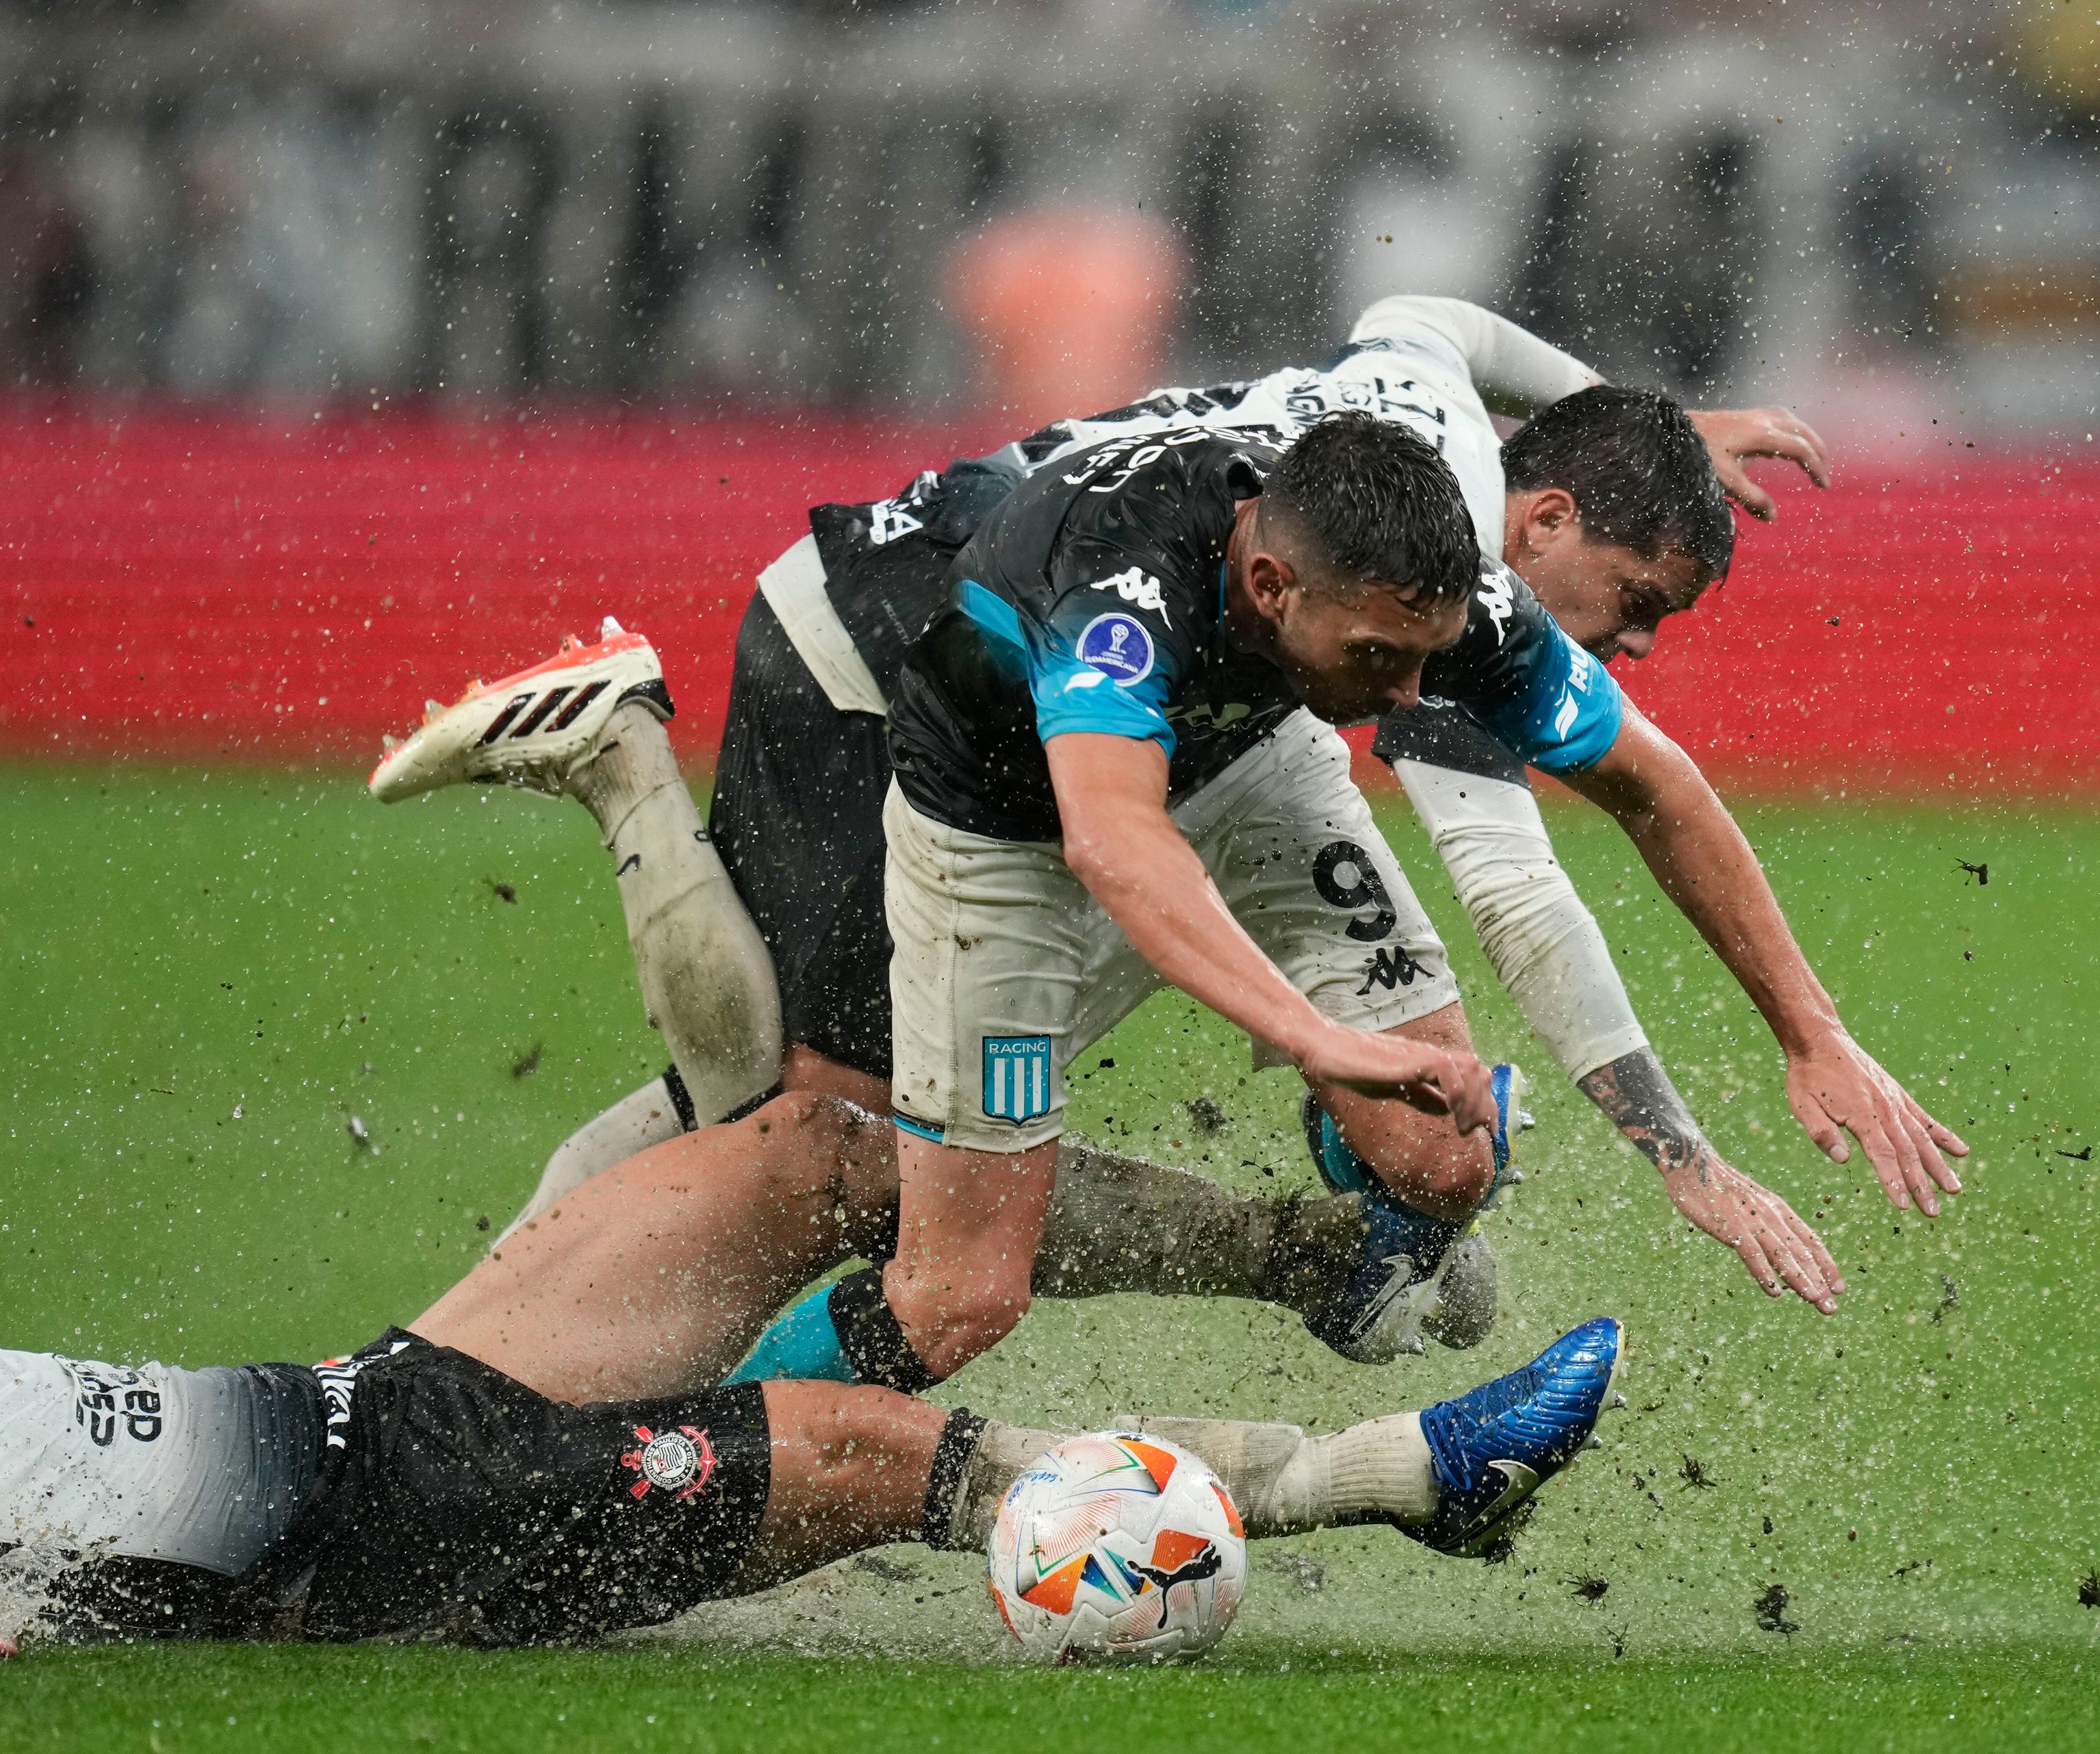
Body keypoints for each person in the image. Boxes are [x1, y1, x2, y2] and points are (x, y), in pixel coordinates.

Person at [372, 299, 1943, 1369]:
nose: (1636, 648)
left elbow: (1441, 328)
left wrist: (1813, 1035)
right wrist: (1337, 1045)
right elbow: (1496, 894)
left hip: (1227, 708)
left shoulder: (1439, 564)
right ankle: (621, 771)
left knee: (1446, 1152)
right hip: (882, 661)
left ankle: (1346, 1251)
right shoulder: (1185, 593)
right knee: (804, 1127)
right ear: (1536, 521)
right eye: (1643, 607)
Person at [0, 1128, 1622, 1658]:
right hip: (403, 1540)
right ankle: (1404, 1479)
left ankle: (1321, 1260)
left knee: (808, 1153)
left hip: (377, 1403)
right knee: (868, 1454)